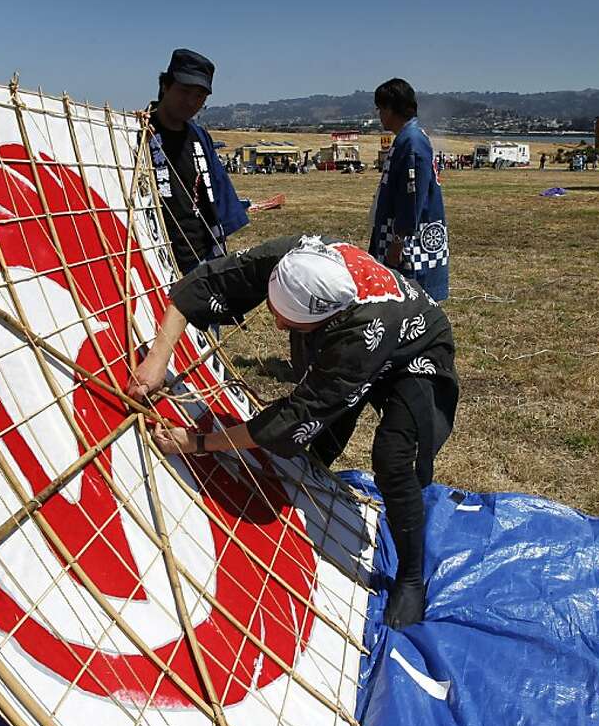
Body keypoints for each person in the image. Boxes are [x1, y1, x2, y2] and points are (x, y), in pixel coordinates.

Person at [127, 234, 459, 629]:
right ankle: (315, 480)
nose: (278, 323)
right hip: (353, 339)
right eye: (275, 310)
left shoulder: (358, 336)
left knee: (394, 458)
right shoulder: (294, 259)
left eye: (287, 321)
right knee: (322, 425)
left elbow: (295, 416)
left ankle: (410, 577)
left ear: (326, 317)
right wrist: (159, 357)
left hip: (416, 348)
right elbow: (209, 281)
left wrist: (198, 443)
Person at [147, 49, 246, 275]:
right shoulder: (142, 131)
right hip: (158, 253)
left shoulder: (200, 136)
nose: (191, 102)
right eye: (184, 91)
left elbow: (219, 192)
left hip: (202, 251)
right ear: (165, 86)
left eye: (200, 96)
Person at [368, 78, 448, 302]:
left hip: (408, 238)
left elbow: (412, 196)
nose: (379, 115)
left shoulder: (412, 142)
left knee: (408, 293)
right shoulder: (406, 139)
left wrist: (398, 240)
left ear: (391, 109)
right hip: (394, 231)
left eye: (380, 108)